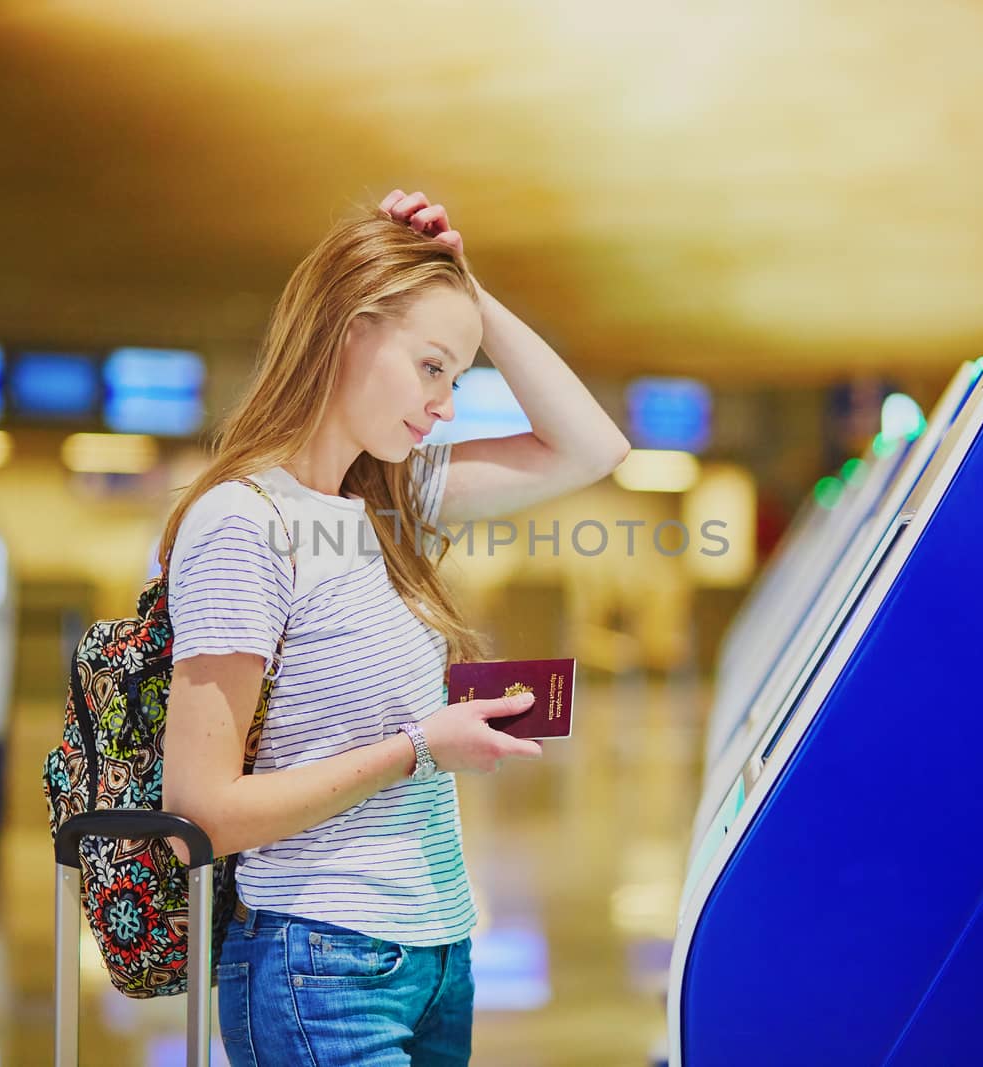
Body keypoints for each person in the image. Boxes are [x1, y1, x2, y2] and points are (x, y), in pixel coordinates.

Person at [158, 188, 632, 1065]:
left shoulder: (390, 500)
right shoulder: (242, 521)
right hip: (321, 964)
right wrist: (419, 747)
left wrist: (463, 288)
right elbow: (201, 809)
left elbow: (594, 448)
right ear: (351, 329)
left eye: (457, 375)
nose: (445, 403)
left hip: (436, 954)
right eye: (430, 367)